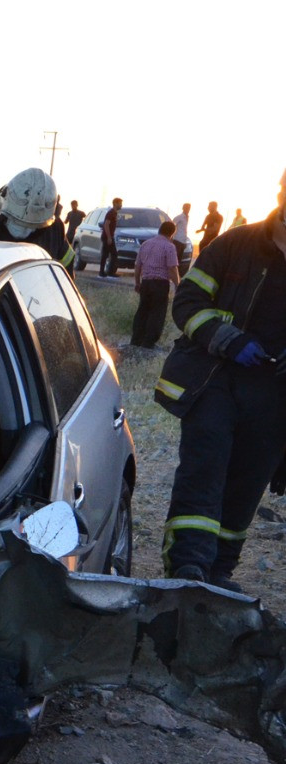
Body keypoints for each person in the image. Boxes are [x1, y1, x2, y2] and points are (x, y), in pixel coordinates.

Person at [154, 168, 286, 590]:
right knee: (204, 468)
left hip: (274, 398)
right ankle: (188, 567)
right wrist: (226, 338)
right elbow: (188, 300)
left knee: (248, 483)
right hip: (214, 380)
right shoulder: (237, 243)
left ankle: (219, 572)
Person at [0, 167, 76, 270]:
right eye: (15, 222)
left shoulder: (55, 229)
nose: (23, 232)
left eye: (31, 227)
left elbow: (67, 264)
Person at [130, 220, 181, 348]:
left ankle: (136, 340)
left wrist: (137, 282)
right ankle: (148, 343)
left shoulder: (146, 244)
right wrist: (178, 285)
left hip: (146, 283)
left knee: (142, 311)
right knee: (157, 313)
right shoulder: (169, 247)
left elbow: (137, 266)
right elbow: (172, 269)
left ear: (160, 230)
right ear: (172, 233)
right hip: (160, 284)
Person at [99, 198, 122, 277]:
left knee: (107, 254)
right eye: (120, 203)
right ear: (115, 203)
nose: (121, 205)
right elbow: (106, 224)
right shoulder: (111, 213)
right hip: (107, 237)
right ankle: (109, 273)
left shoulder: (114, 213)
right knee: (113, 254)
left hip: (109, 236)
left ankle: (104, 272)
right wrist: (109, 237)